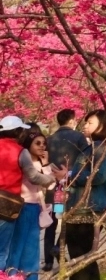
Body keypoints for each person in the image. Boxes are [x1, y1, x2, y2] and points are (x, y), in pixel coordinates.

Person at [65, 109, 106, 280]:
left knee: (82, 257)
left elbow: (98, 176)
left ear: (102, 126)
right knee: (80, 256)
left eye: (90, 123)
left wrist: (71, 176)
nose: (85, 126)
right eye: (86, 122)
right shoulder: (92, 147)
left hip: (89, 209)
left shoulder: (101, 148)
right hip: (81, 207)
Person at [10, 128, 67, 277]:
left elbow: (52, 185)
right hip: (23, 207)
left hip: (35, 208)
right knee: (18, 244)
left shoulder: (44, 164)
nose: (42, 146)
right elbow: (42, 180)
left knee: (32, 246)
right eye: (38, 143)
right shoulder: (24, 162)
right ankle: (11, 275)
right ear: (28, 144)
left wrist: (46, 163)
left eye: (44, 143)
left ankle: (30, 276)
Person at [44, 109, 89, 272]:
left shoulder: (50, 139)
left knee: (52, 222)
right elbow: (87, 158)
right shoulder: (79, 138)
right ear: (72, 121)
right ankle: (58, 247)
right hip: (70, 186)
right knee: (67, 219)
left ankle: (48, 261)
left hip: (54, 187)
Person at [0, 115, 31, 272]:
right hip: (6, 205)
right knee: (1, 250)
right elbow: (33, 175)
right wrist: (49, 179)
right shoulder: (21, 151)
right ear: (18, 132)